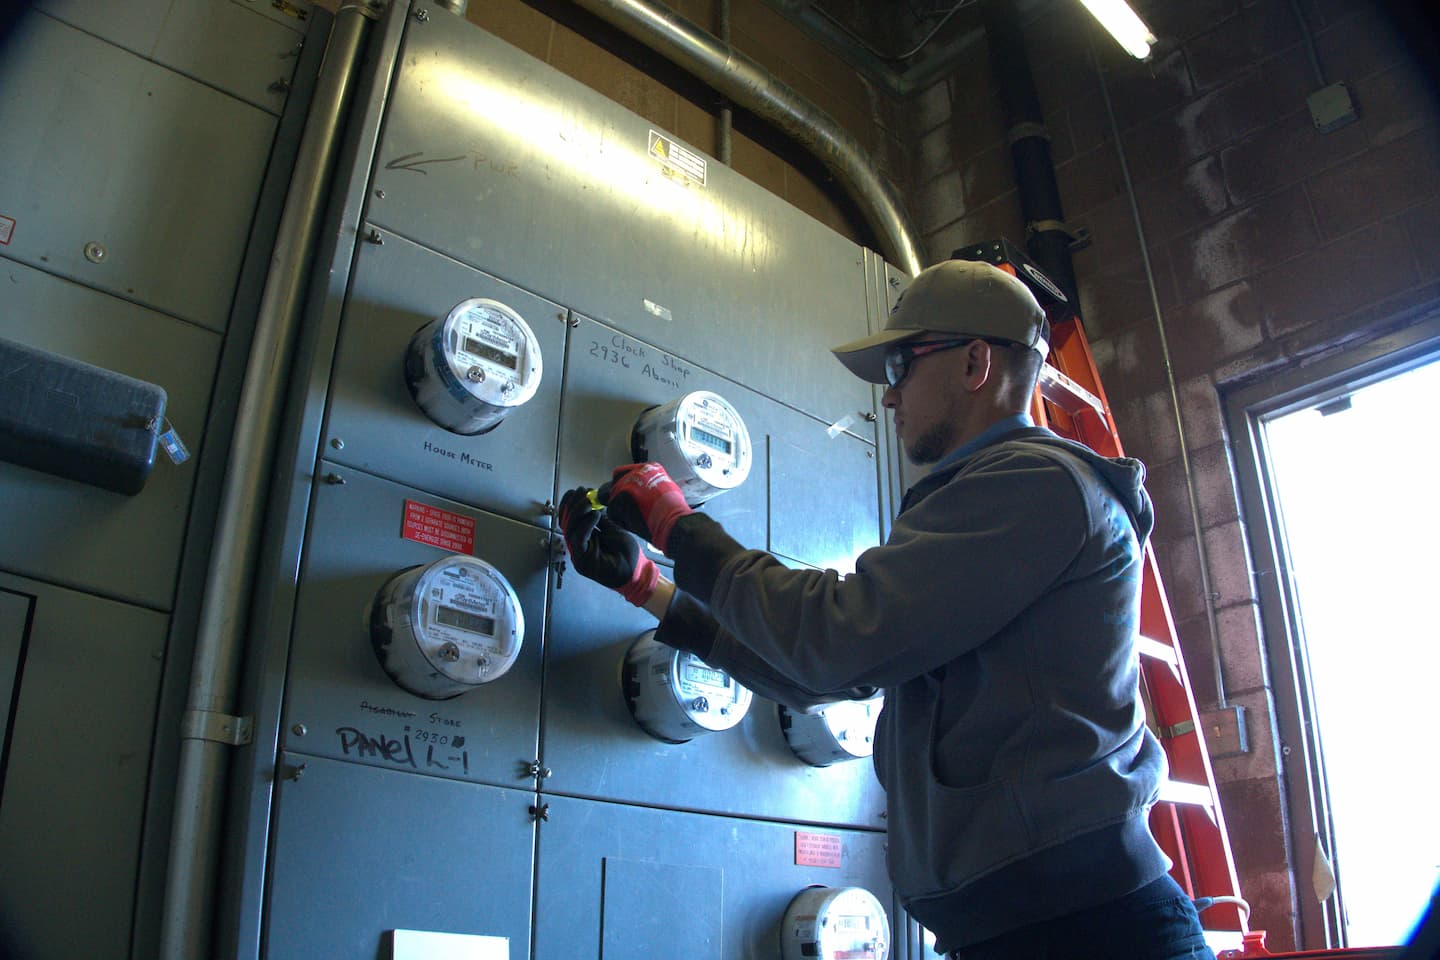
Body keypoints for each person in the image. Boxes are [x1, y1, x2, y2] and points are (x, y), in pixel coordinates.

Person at [557, 259, 1215, 960]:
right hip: (1028, 927)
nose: (889, 398)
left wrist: (678, 527)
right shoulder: (980, 497)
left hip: (1088, 930)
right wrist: (647, 586)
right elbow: (820, 679)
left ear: (975, 363)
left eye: (902, 365)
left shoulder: (1035, 482)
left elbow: (841, 638)